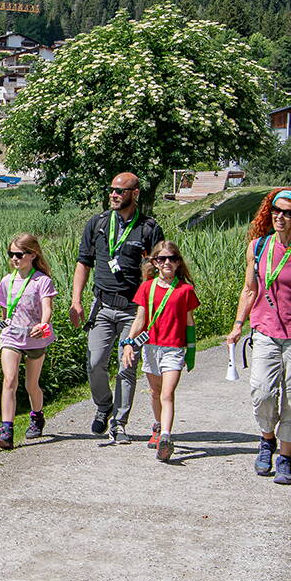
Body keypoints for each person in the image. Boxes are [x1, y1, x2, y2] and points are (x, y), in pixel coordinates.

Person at [223, 189, 291, 485]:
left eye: (287, 212)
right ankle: (266, 439)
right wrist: (237, 325)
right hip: (265, 331)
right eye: (276, 210)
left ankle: (284, 457)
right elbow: (249, 289)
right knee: (262, 392)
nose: (279, 217)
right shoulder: (258, 247)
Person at [71, 172, 165, 442]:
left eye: (120, 191)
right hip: (101, 306)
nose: (113, 194)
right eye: (111, 190)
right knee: (94, 362)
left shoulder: (148, 228)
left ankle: (119, 423)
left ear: (135, 194)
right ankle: (104, 406)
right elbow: (83, 263)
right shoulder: (98, 223)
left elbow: (157, 268)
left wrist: (149, 308)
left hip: (132, 310)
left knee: (127, 366)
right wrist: (76, 301)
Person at [121, 240, 200, 462]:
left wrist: (191, 352)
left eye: (172, 258)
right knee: (155, 393)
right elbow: (140, 319)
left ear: (178, 262)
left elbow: (189, 322)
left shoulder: (185, 290)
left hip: (174, 349)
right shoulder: (146, 287)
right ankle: (157, 426)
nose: (167, 263)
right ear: (154, 262)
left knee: (167, 393)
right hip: (151, 347)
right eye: (162, 259)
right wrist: (128, 342)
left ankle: (166, 437)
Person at [0, 234, 58, 449]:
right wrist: (2, 328)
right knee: (10, 380)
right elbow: (4, 312)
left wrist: (43, 325)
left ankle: (37, 416)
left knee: (32, 385)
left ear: (32, 255)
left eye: (19, 254)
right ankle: (6, 431)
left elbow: (47, 308)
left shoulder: (42, 281)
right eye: (11, 254)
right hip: (11, 336)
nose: (14, 258)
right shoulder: (6, 281)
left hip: (35, 338)